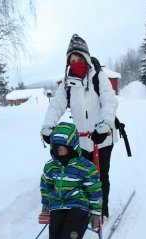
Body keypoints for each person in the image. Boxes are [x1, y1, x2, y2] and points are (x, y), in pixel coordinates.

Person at [41, 33, 118, 220]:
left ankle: (101, 210)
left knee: (101, 177)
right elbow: (56, 105)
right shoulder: (67, 83)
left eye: (78, 58)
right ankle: (83, 211)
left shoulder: (98, 77)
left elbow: (109, 101)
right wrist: (48, 126)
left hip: (102, 137)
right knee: (82, 177)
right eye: (71, 60)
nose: (75, 63)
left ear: (86, 57)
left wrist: (105, 124)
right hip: (81, 140)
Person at [40, 122, 102, 239]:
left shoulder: (85, 167)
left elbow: (94, 190)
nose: (60, 154)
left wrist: (95, 212)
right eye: (56, 150)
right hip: (57, 204)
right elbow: (45, 185)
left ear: (72, 147)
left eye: (63, 150)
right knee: (55, 226)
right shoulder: (50, 166)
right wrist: (46, 204)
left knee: (73, 224)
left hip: (78, 203)